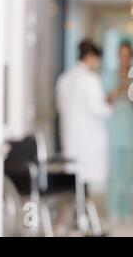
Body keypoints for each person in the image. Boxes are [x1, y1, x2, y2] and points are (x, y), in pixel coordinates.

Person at [56, 39, 112, 188]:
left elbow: (60, 106)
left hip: (71, 137)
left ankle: (76, 208)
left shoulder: (65, 78)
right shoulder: (90, 79)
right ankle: (81, 208)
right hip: (88, 140)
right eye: (97, 60)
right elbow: (99, 109)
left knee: (73, 179)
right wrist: (110, 106)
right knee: (84, 180)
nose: (97, 64)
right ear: (91, 57)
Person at [106, 41, 133, 223]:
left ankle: (126, 208)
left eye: (128, 55)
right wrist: (118, 90)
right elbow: (104, 100)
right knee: (114, 173)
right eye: (122, 55)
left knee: (129, 174)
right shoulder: (109, 75)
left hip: (131, 131)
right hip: (114, 130)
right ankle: (113, 208)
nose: (125, 58)